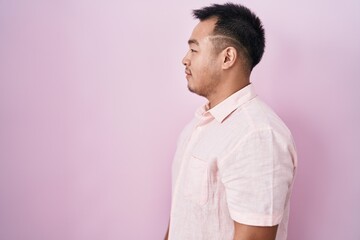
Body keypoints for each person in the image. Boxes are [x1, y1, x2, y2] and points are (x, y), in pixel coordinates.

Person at [164, 3, 297, 240]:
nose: (185, 60)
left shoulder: (257, 135)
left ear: (227, 57)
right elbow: (181, 218)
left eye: (194, 50)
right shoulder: (198, 126)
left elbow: (254, 236)